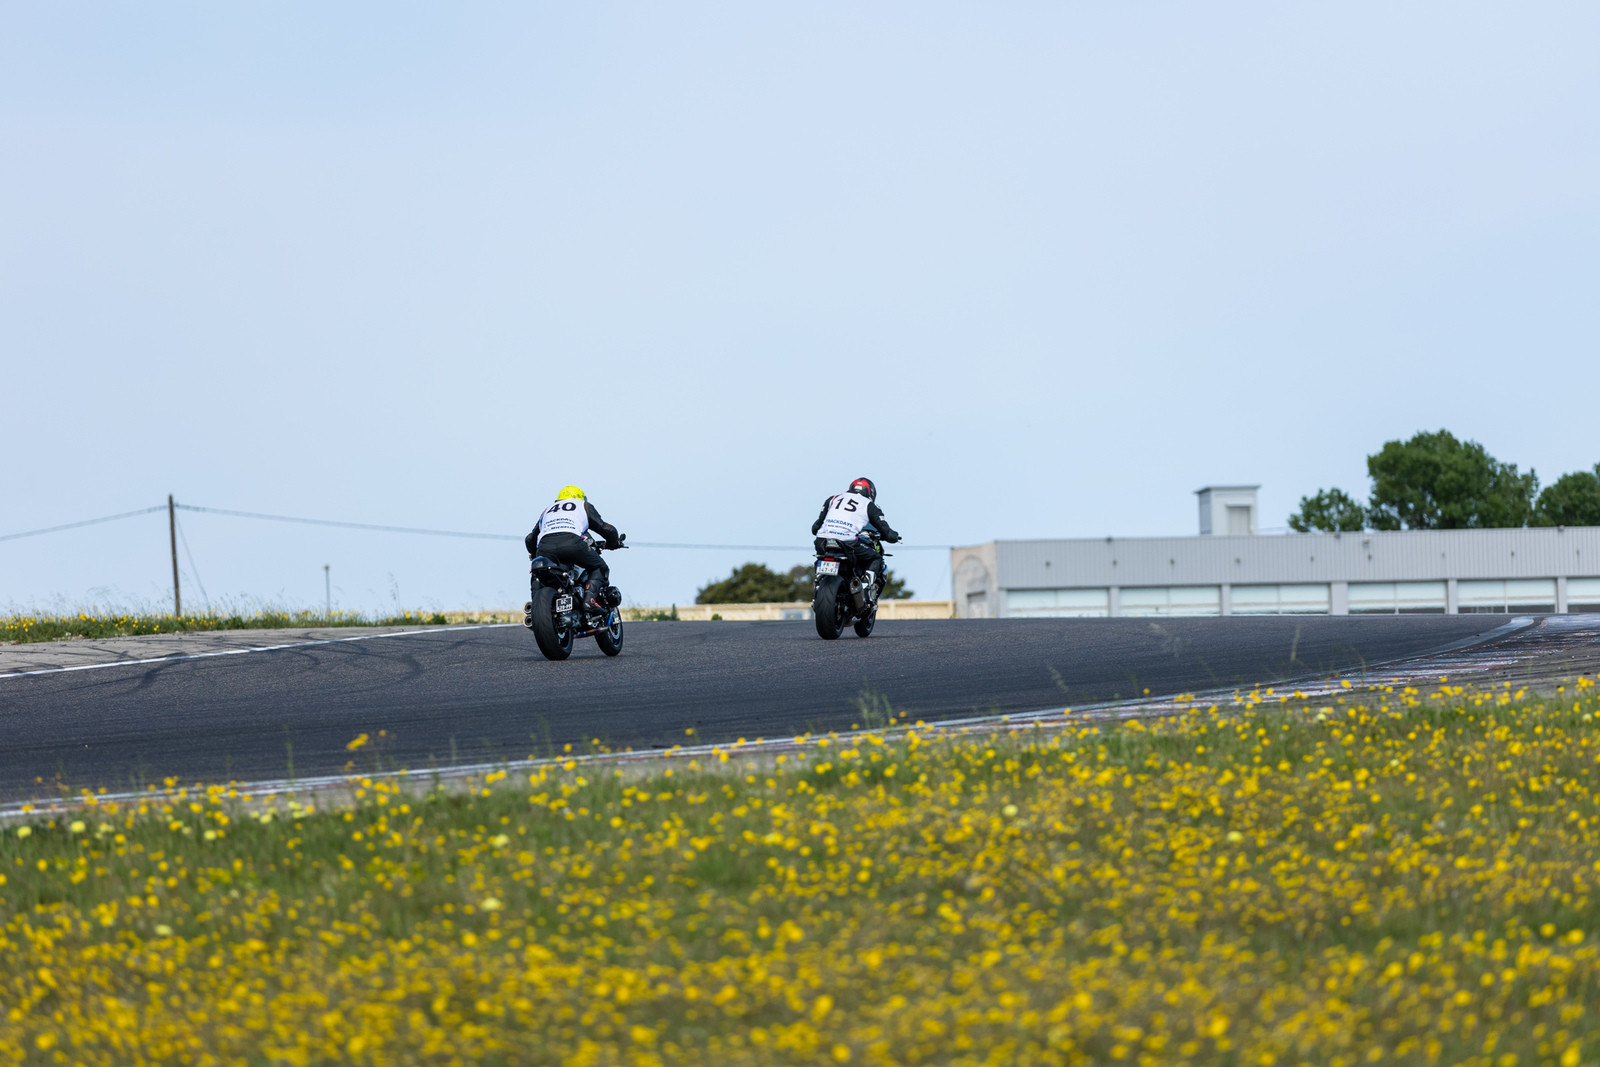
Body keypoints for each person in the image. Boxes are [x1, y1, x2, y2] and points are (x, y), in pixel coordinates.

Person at [525, 485, 624, 624]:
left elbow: (530, 538)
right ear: (581, 498)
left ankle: (537, 610)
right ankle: (590, 600)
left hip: (545, 547)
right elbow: (606, 528)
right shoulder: (583, 505)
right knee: (600, 567)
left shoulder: (547, 510)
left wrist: (534, 554)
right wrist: (613, 543)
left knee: (539, 573)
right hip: (572, 543)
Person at [811, 477, 901, 604]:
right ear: (871, 493)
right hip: (847, 542)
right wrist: (895, 536)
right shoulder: (869, 505)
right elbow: (887, 533)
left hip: (822, 541)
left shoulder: (833, 499)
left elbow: (815, 528)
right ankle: (865, 588)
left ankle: (818, 581)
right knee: (876, 558)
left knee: (821, 556)